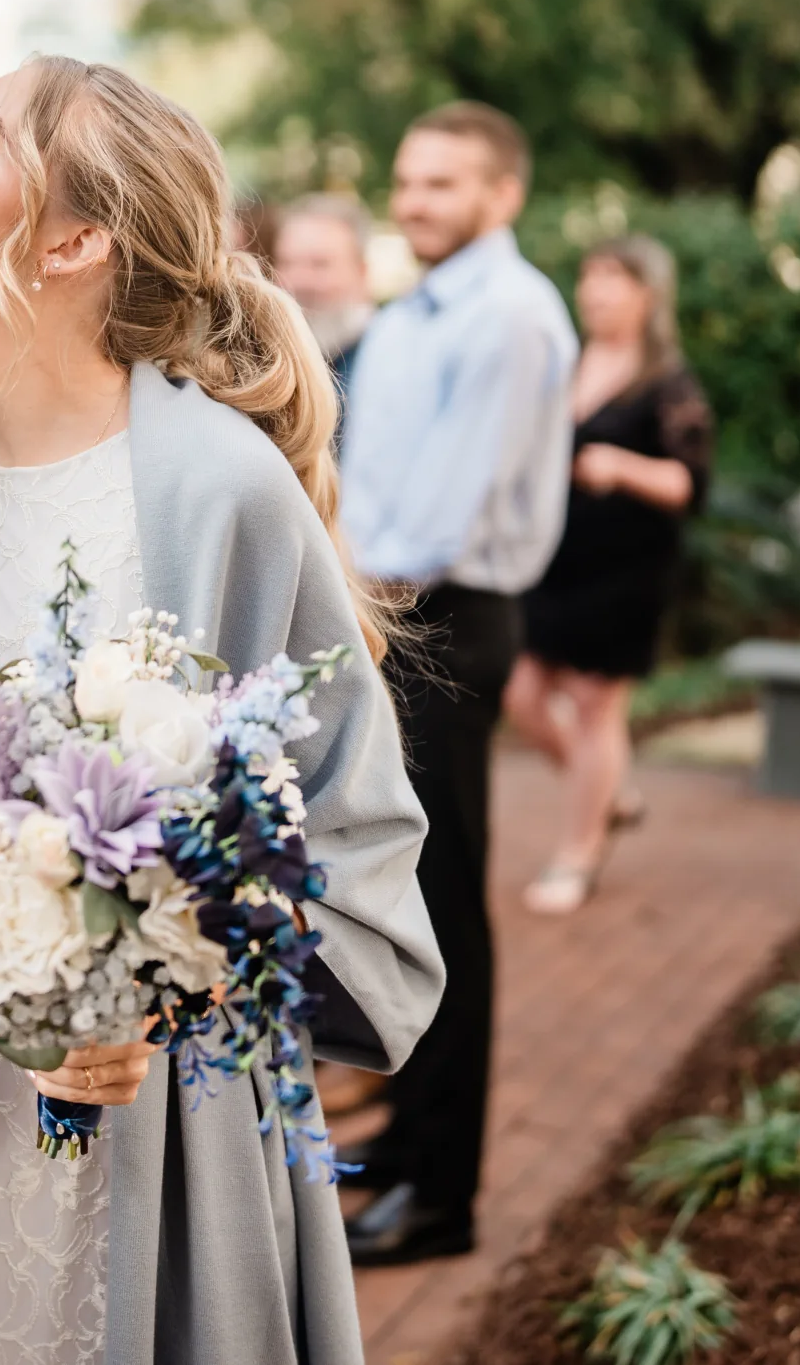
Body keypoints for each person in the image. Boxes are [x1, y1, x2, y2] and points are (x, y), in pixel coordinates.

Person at [0, 56, 443, 1365]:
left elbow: (352, 850)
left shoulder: (217, 494)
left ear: (73, 240)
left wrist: (153, 982)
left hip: (120, 1150)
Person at [335, 101, 576, 1268]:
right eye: (407, 179)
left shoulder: (511, 317)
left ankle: (442, 1199)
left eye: (441, 183)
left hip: (439, 617)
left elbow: (438, 515)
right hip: (384, 611)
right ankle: (402, 1144)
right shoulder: (410, 316)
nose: (414, 200)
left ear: (501, 194)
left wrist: (344, 601)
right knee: (394, 886)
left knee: (440, 902)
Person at [506, 237, 711, 915]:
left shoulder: (669, 382)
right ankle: (609, 792)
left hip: (626, 570)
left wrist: (620, 467)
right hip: (555, 560)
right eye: (589, 276)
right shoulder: (567, 362)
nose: (594, 290)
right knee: (522, 694)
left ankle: (579, 854)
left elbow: (689, 481)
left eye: (612, 278)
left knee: (596, 705)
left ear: (647, 294)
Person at [267, 193, 377, 389]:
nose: (299, 281)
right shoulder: (264, 365)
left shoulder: (389, 359)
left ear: (361, 273)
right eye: (287, 263)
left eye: (319, 264)